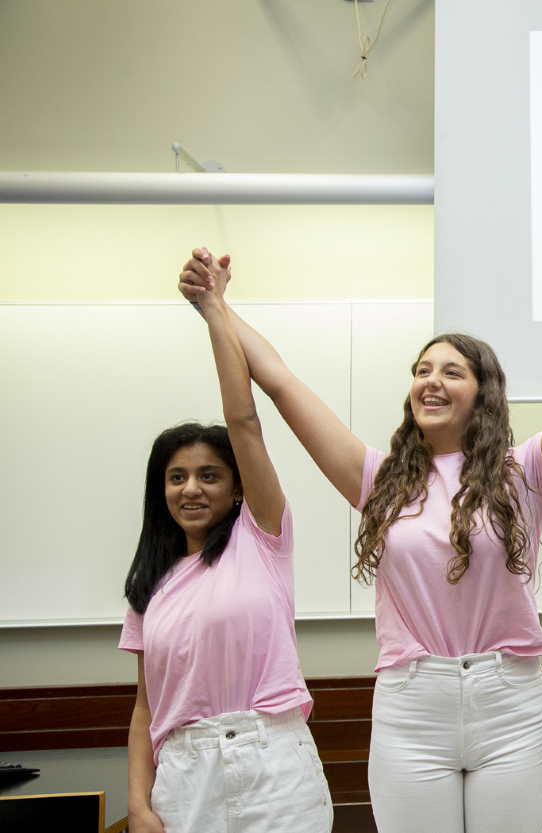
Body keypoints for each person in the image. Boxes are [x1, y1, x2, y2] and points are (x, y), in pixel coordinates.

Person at [176, 233, 542, 833]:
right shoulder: (377, 481)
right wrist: (217, 306)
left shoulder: (528, 473)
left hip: (508, 705)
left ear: (482, 393)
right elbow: (281, 385)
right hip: (412, 709)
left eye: (451, 371)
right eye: (421, 370)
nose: (430, 381)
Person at [120, 262, 331, 833]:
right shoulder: (150, 582)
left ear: (237, 487)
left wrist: (214, 310)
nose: (191, 488)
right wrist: (138, 805)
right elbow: (146, 708)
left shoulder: (261, 540)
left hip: (273, 768)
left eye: (210, 475)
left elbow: (244, 421)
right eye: (177, 477)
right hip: (184, 778)